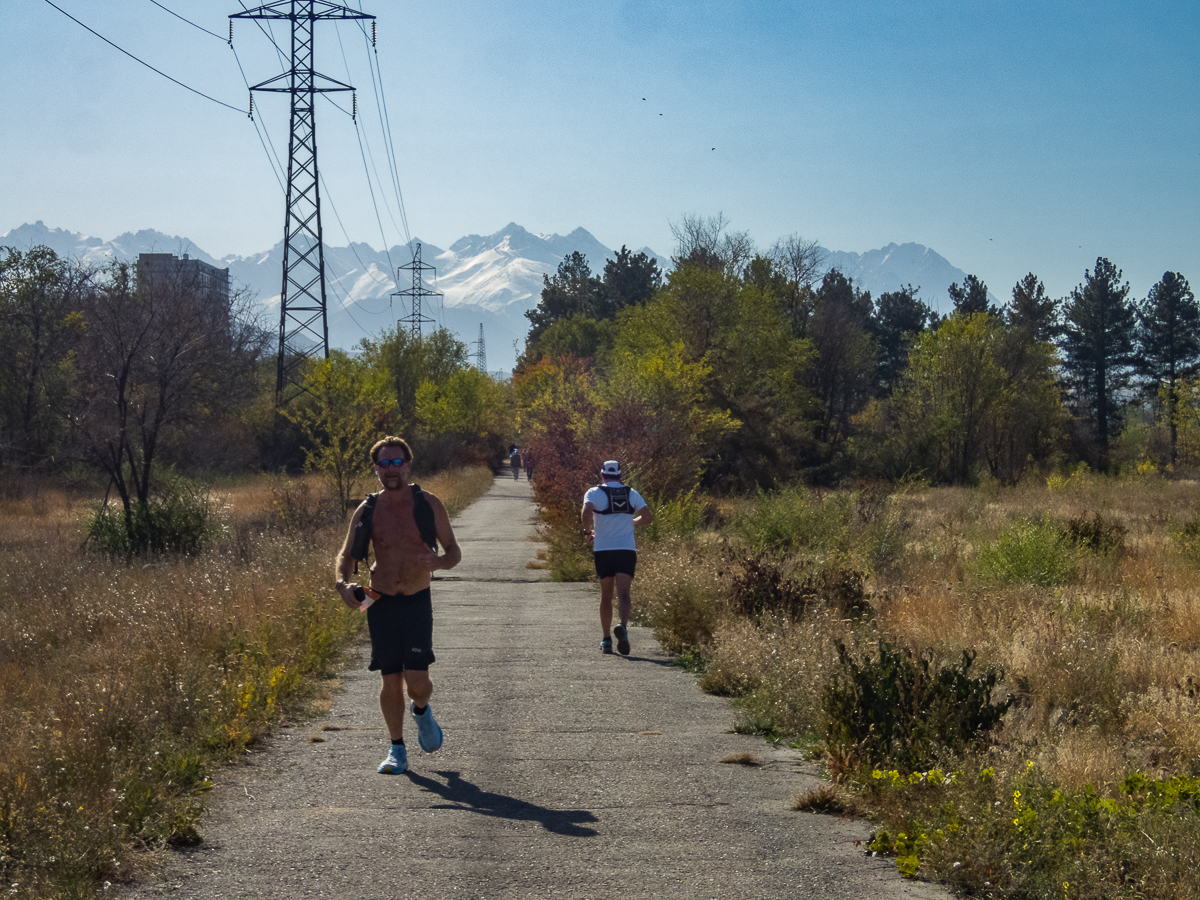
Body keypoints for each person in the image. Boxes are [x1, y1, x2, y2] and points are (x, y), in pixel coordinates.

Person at [335, 436, 462, 774]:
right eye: (384, 464)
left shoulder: (428, 503)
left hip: (417, 600)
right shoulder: (368, 509)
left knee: (417, 682)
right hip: (379, 601)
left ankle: (421, 710)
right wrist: (342, 584)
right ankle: (396, 750)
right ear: (375, 469)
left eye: (396, 463)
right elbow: (347, 556)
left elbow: (453, 552)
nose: (391, 470)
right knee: (390, 679)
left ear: (408, 465)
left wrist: (440, 563)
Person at [580, 460, 654, 656]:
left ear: (602, 476)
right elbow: (648, 517)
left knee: (606, 595)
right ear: (621, 476)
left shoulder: (594, 492)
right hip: (626, 549)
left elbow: (587, 512)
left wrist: (588, 532)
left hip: (603, 549)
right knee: (624, 594)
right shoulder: (632, 493)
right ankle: (622, 625)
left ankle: (606, 640)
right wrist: (631, 524)